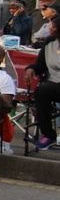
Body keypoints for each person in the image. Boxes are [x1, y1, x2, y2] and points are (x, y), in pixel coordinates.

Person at [24, 15, 60, 150]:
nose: (50, 28)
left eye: (54, 27)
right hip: (54, 85)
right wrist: (31, 69)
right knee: (42, 91)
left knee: (44, 89)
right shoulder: (49, 43)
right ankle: (48, 135)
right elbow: (41, 65)